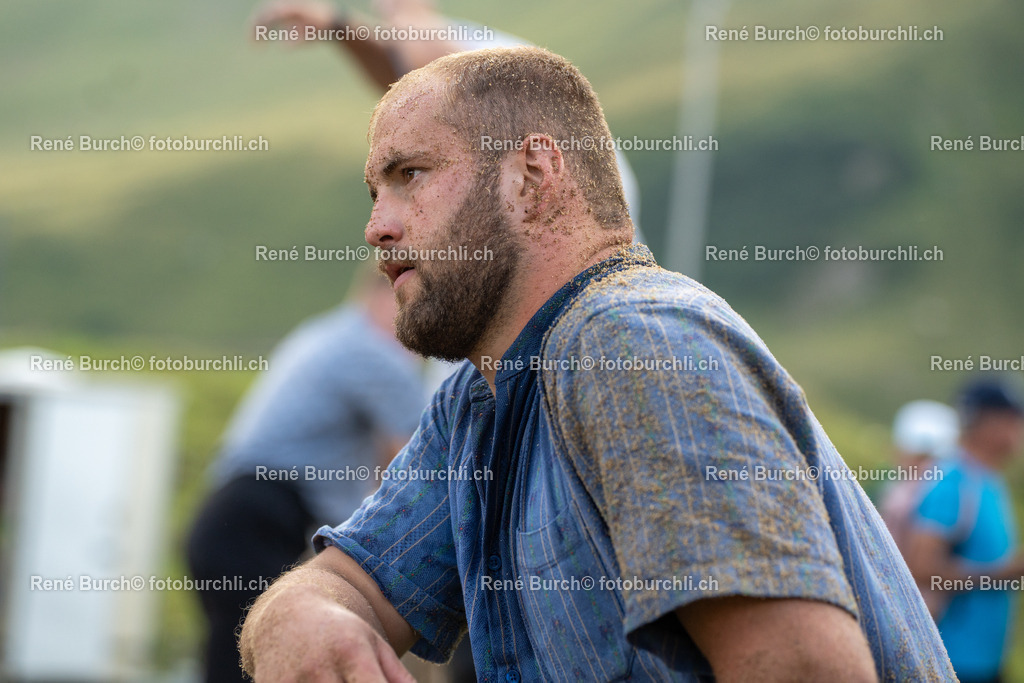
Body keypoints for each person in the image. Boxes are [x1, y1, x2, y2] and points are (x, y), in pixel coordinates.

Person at [238, 46, 953, 681]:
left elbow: (802, 669)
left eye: (411, 174)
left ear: (532, 175)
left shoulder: (634, 346)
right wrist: (299, 617)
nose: (376, 227)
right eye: (375, 192)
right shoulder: (476, 403)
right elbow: (345, 585)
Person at [186, 269, 425, 683]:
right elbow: (420, 468)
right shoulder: (373, 353)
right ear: (387, 295)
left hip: (226, 515)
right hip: (257, 518)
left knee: (237, 660)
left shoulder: (322, 335)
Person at [250, 0, 644, 237]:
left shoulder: (484, 62)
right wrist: (337, 26)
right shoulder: (475, 59)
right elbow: (404, 70)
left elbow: (420, 61)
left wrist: (380, 16)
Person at [906, 378, 1024, 683]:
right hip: (953, 661)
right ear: (988, 422)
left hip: (986, 661)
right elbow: (921, 567)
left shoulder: (989, 480)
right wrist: (1004, 573)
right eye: (1014, 419)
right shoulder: (953, 481)